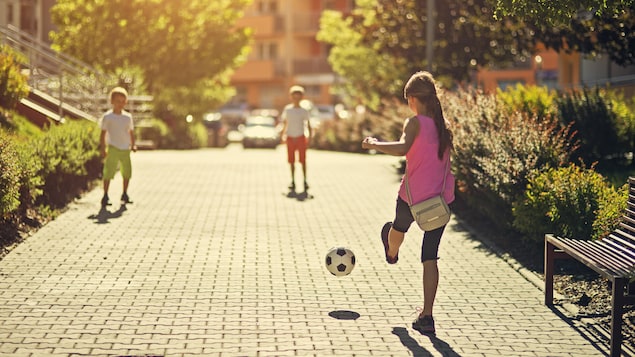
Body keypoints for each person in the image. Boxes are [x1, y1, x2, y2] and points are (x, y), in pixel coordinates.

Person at [361, 71, 455, 335]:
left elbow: (403, 148)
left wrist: (375, 144)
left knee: (398, 229)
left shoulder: (414, 122)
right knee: (430, 257)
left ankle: (391, 253)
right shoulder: (443, 126)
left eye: (408, 100)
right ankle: (427, 316)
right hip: (439, 201)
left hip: (411, 197)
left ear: (413, 98)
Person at [99, 86, 136, 206]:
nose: (120, 104)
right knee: (108, 171)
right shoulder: (108, 117)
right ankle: (105, 195)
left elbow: (131, 132)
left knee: (127, 172)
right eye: (117, 101)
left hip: (125, 148)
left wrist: (133, 145)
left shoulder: (127, 117)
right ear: (112, 101)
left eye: (123, 101)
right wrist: (103, 148)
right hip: (113, 147)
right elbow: (103, 133)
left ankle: (124, 194)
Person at [280, 85, 312, 192]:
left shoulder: (304, 111)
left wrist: (310, 138)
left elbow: (308, 125)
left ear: (301, 97)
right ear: (291, 97)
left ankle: (304, 180)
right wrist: (282, 135)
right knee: (291, 161)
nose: (296, 98)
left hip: (300, 137)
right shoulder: (288, 110)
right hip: (290, 137)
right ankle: (293, 180)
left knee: (302, 161)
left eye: (298, 96)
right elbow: (285, 123)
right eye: (294, 96)